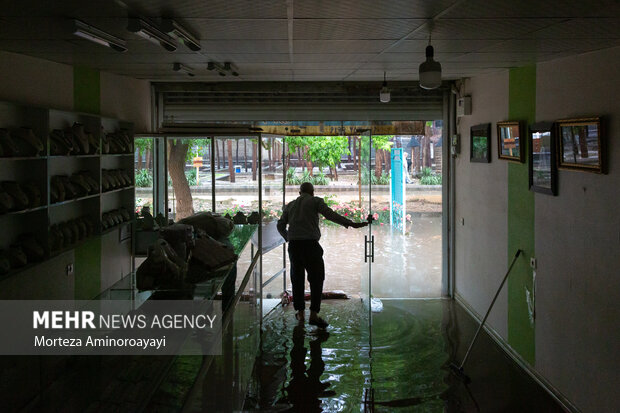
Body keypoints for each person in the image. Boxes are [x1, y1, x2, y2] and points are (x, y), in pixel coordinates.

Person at [277, 182, 369, 328]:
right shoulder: (315, 201)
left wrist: (288, 237)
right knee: (316, 278)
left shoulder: (291, 205)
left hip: (294, 246)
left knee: (297, 278)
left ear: (299, 193)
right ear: (312, 192)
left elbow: (280, 225)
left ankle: (300, 314)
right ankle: (313, 314)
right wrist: (351, 223)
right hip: (311, 245)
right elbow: (330, 215)